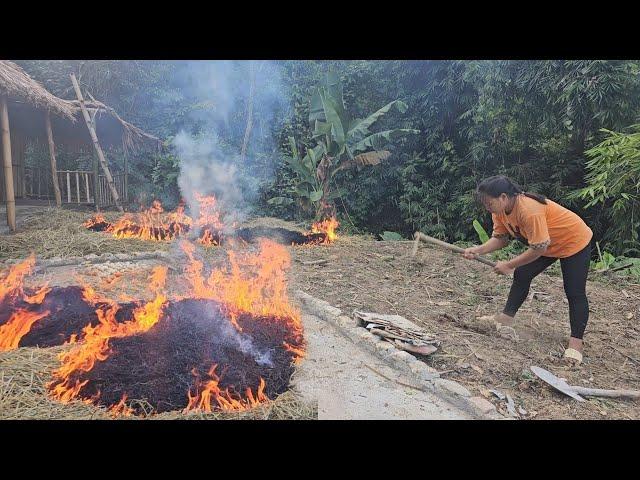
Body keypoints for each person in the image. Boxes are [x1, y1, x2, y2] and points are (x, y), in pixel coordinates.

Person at [462, 175, 593, 365]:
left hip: (573, 241)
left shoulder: (529, 210)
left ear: (503, 197)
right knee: (523, 273)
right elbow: (501, 239)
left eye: (489, 203)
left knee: (574, 291)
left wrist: (509, 264)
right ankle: (505, 319)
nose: (487, 208)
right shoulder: (499, 212)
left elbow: (538, 249)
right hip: (547, 244)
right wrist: (478, 250)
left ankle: (576, 344)